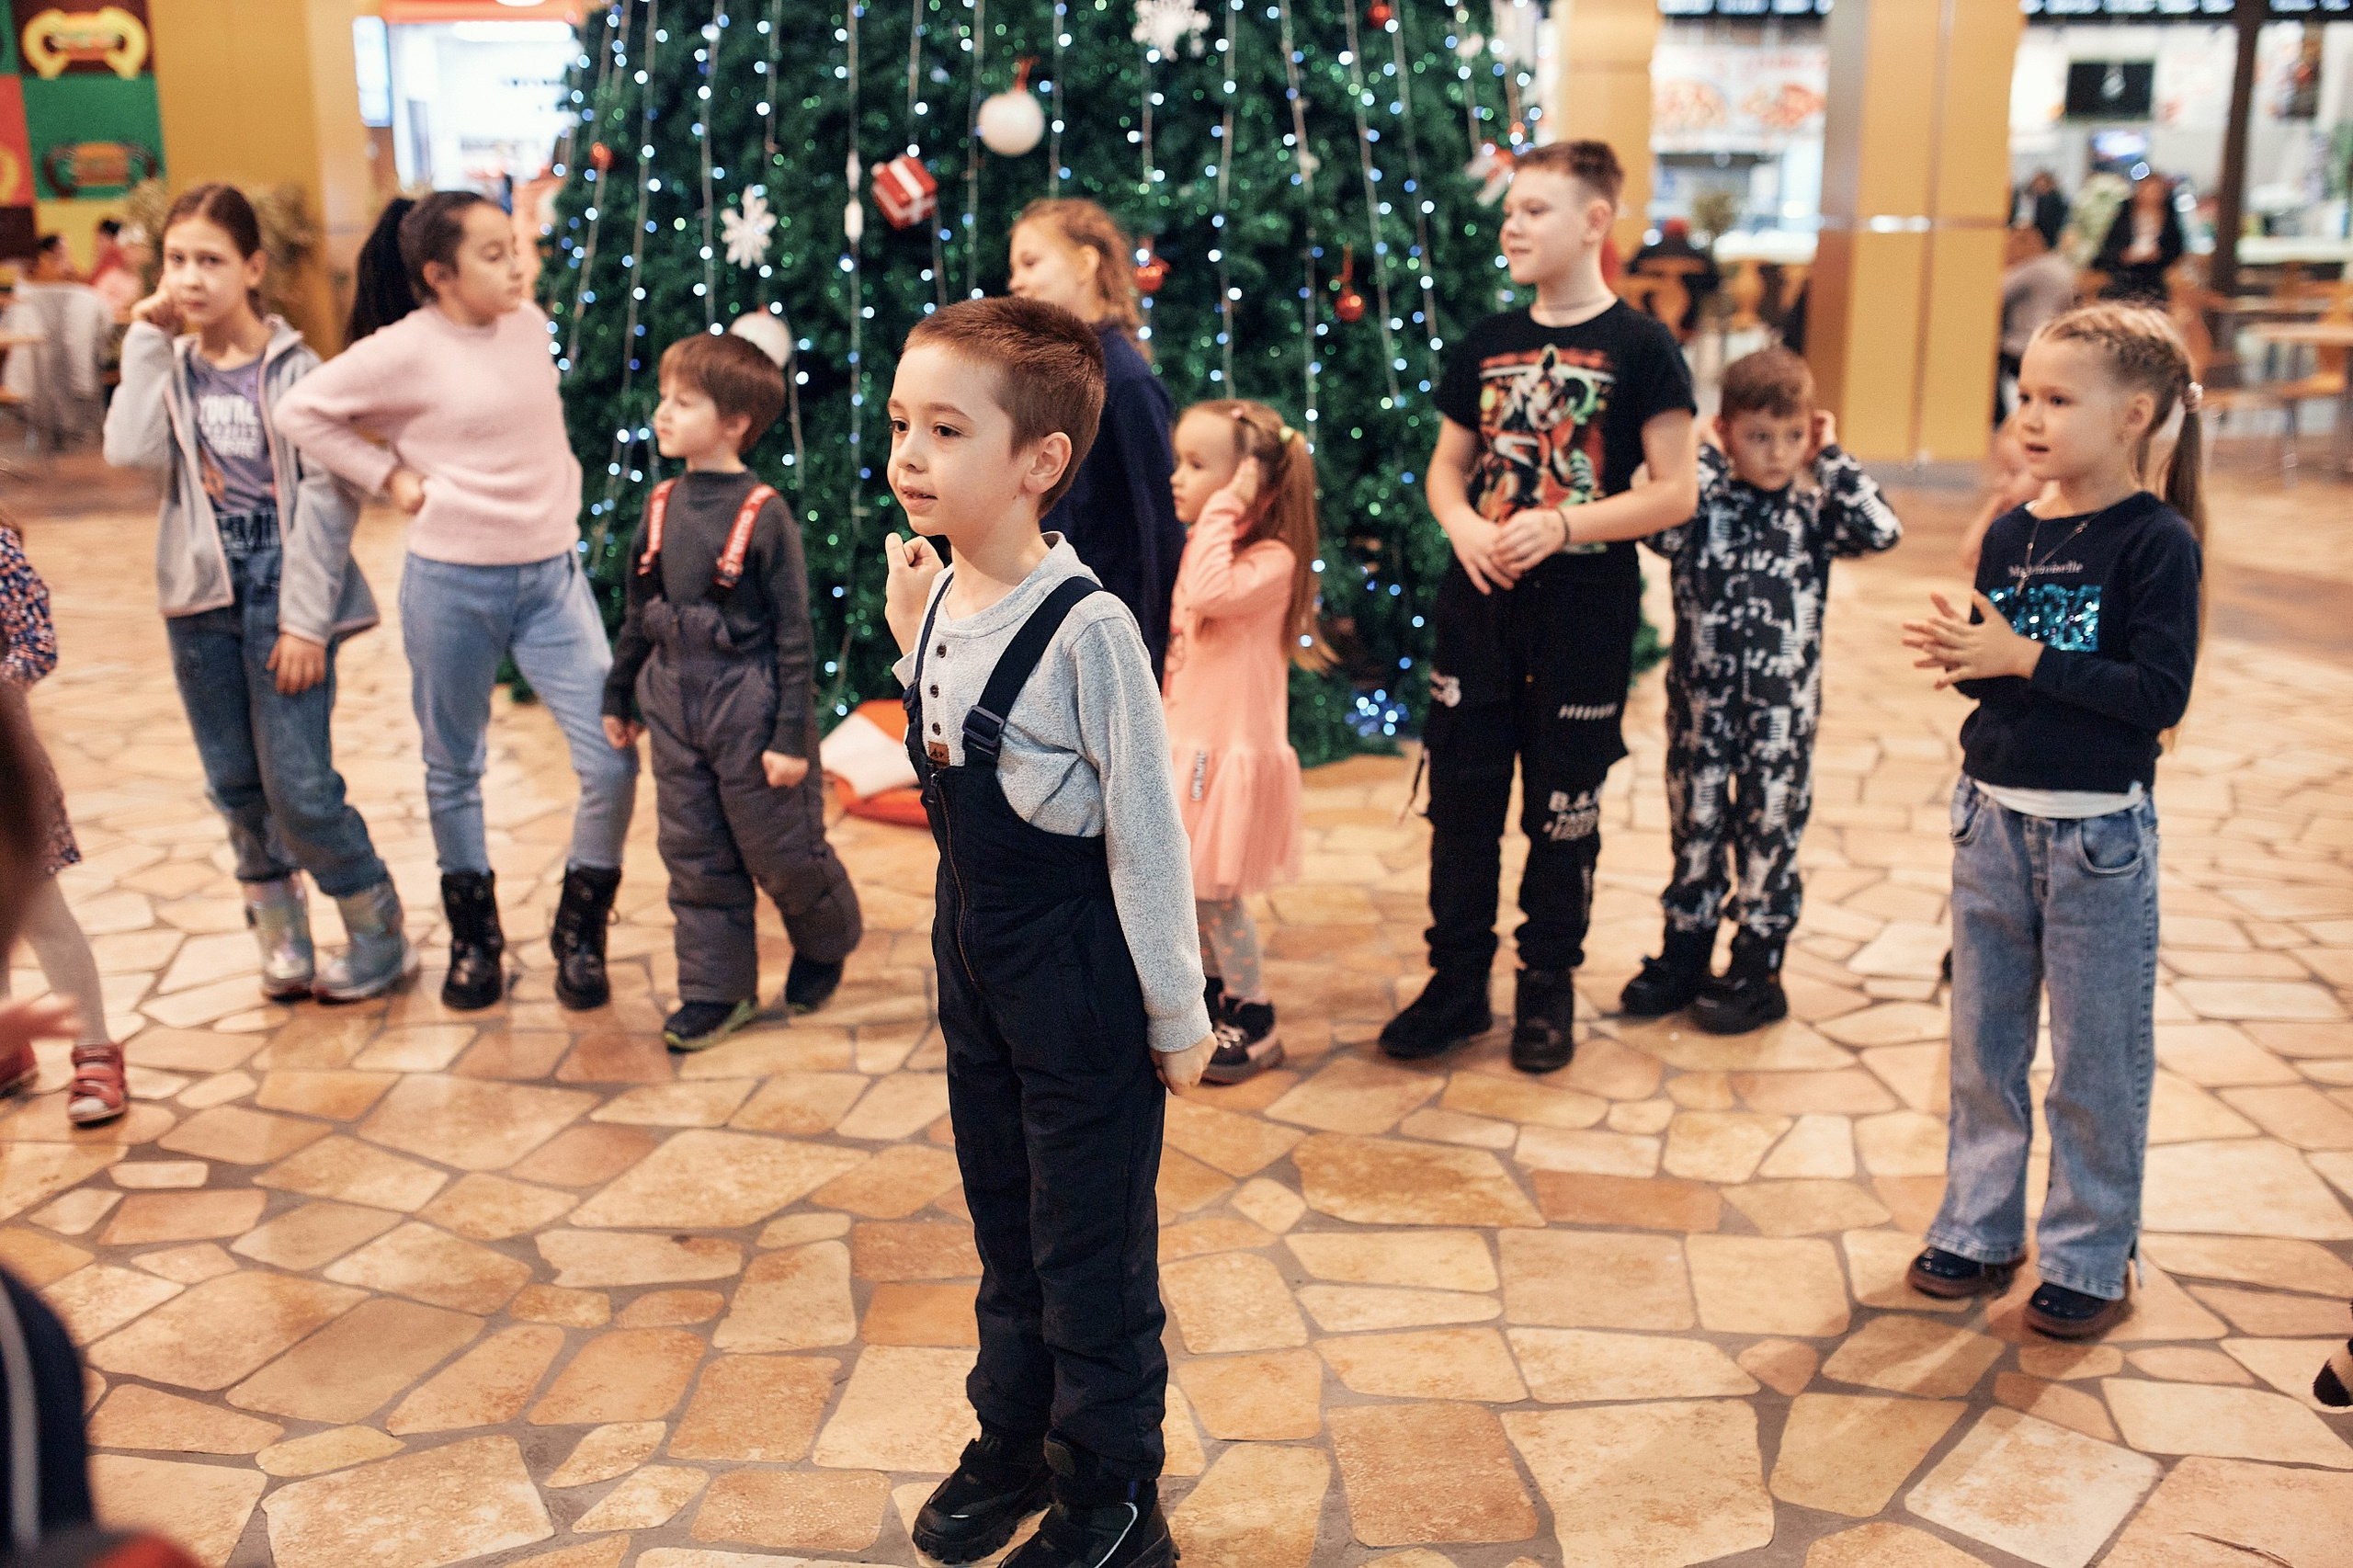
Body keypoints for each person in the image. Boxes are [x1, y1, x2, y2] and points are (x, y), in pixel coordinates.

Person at [882, 296, 1210, 1568]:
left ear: (1039, 463)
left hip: (1079, 993)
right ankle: (1012, 1436)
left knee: (1091, 1255)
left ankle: (1115, 1492)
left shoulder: (1092, 631)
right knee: (1004, 1225)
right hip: (977, 981)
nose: (908, 452)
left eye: (946, 429)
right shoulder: (943, 595)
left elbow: (1146, 835)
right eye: (904, 423)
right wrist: (908, 621)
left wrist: (1178, 1012)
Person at [1901, 301, 2205, 1341]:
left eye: (2056, 399)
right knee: (1982, 1044)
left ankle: (2088, 1253)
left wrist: (2022, 660)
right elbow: (1998, 688)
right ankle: (1979, 1225)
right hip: (1989, 823)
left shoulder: (2157, 543)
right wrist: (1967, 658)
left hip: (2096, 842)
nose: (2028, 416)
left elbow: (2154, 694)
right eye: (2023, 394)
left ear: (2133, 414)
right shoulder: (2009, 530)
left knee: (2092, 1055)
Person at [1381, 139, 1699, 1074]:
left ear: (1595, 222)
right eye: (1510, 209)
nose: (1511, 225)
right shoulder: (1482, 341)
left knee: (1564, 808)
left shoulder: (1642, 347)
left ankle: (1545, 986)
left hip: (1582, 618)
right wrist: (1461, 527)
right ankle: (1456, 983)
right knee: (1462, 804)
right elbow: (1447, 467)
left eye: (1535, 209)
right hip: (1475, 612)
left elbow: (1675, 490)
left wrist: (1564, 526)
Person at [277, 190, 637, 1014]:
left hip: (552, 578)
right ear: (439, 275)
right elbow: (300, 411)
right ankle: (476, 941)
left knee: (612, 756)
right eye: (493, 254)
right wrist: (389, 476)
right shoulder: (403, 348)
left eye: (515, 247)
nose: (516, 265)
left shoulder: (529, 325)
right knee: (453, 767)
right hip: (452, 583)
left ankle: (581, 933)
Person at [101, 183, 413, 1007]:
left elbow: (331, 493)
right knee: (235, 782)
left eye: (210, 260)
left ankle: (379, 930)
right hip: (201, 595)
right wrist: (141, 336)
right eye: (175, 261)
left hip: (285, 586)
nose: (191, 278)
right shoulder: (169, 369)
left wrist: (306, 620)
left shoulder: (298, 371)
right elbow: (129, 452)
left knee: (300, 785)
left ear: (253, 268)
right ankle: (282, 934)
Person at [1620, 347, 1901, 1031]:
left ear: (1812, 432)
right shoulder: (1697, 510)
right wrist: (1705, 459)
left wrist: (1830, 457)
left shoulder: (1812, 516)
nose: (1777, 454)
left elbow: (1882, 529)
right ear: (1723, 433)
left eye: (1793, 437)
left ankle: (1757, 965)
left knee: (1770, 835)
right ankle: (1686, 952)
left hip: (1782, 723)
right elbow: (1650, 519)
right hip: (1701, 716)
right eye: (1758, 437)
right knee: (1697, 831)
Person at [601, 333, 863, 1051]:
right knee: (694, 852)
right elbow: (637, 614)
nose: (662, 413)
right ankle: (718, 991)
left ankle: (826, 939)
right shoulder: (659, 505)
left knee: (783, 850)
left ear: (735, 423)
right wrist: (618, 695)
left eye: (684, 402)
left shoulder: (765, 513)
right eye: (664, 397)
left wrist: (788, 738)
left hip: (748, 710)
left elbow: (794, 637)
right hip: (672, 704)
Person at [1164, 399, 1324, 1085]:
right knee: (1187, 890)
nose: (1177, 477)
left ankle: (1254, 1013)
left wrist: (1228, 504)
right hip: (1191, 750)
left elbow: (1206, 593)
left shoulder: (1271, 560)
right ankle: (1208, 993)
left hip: (1224, 762)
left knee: (1215, 896)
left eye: (1198, 466)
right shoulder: (1217, 544)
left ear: (1252, 485)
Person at [1006, 199, 1186, 680]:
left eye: (1030, 262)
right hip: (1057, 614)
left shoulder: (1125, 381)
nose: (1015, 281)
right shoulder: (1059, 372)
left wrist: (1153, 649)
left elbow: (1160, 526)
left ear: (1086, 263)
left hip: (1107, 627)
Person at [0, 521, 122, 1120]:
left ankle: (95, 1048)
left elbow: (36, 641)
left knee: (43, 914)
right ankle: (6, 1045)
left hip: (2, 772)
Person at [1999, 224, 2076, 420]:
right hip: (2054, 340)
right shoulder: (2060, 265)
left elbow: (1996, 291)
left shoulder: (2034, 268)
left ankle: (1997, 422)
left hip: (2023, 343)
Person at [2094, 174, 2182, 305]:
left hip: (2154, 275)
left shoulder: (2169, 218)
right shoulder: (2125, 214)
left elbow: (2176, 248)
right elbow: (2109, 246)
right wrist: (2124, 255)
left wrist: (2159, 255)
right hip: (2123, 275)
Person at [1630, 217, 1720, 338]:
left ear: (1665, 231)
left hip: (1649, 318)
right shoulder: (1700, 256)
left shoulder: (1646, 253)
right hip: (1689, 322)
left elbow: (1631, 277)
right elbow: (1714, 283)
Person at [2017, 170, 2070, 254]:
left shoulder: (2051, 199)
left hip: (2045, 241)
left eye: (2040, 182)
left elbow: (2045, 221)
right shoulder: (2046, 198)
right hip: (2045, 240)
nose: (2038, 185)